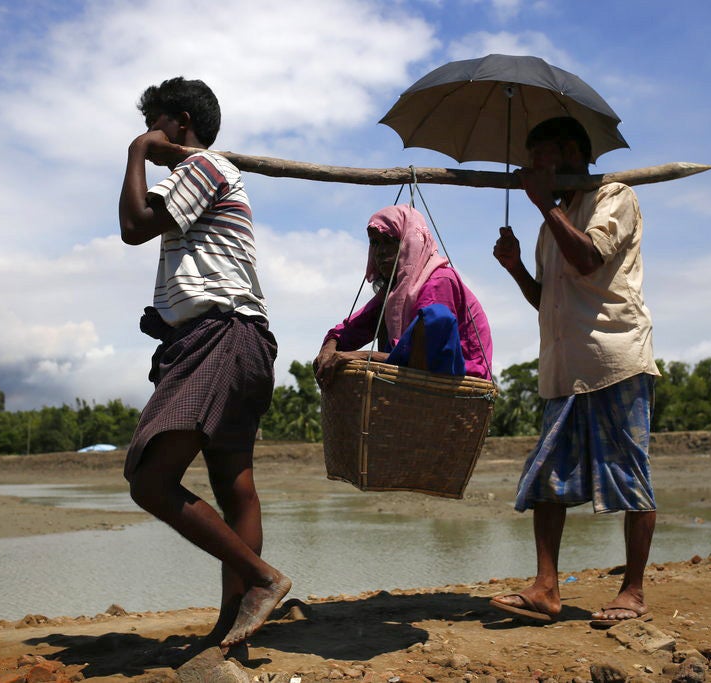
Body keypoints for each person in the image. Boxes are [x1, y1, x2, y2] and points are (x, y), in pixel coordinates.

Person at [118, 76, 290, 650]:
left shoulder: (204, 169)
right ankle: (231, 628)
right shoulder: (205, 174)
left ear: (180, 124)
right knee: (233, 485)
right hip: (239, 335)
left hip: (219, 335)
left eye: (156, 122)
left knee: (150, 480)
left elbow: (134, 227)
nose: (149, 132)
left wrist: (137, 152)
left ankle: (264, 582)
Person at [490, 116, 659, 627]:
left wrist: (543, 203)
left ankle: (632, 591)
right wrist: (517, 266)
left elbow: (588, 258)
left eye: (537, 157)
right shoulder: (552, 223)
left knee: (630, 475)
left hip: (613, 359)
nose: (529, 169)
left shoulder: (615, 197)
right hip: (564, 369)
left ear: (567, 151)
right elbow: (548, 300)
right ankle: (546, 588)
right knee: (547, 476)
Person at [314, 204, 493, 386]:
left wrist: (363, 356)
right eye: (375, 243)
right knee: (381, 315)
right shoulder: (395, 290)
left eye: (390, 241)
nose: (381, 252)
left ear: (411, 242)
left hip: (461, 377)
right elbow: (350, 329)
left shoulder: (439, 280)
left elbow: (431, 347)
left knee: (434, 317)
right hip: (418, 374)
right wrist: (330, 348)